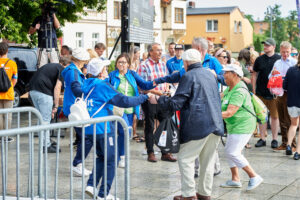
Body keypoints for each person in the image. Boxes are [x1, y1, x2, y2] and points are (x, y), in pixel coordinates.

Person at [151, 49, 224, 200]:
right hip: (216, 123)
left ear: (185, 63)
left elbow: (176, 103)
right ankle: (204, 194)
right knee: (207, 161)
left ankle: (189, 195)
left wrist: (158, 100)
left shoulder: (188, 76)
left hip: (198, 124)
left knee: (185, 158)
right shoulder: (210, 74)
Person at [83, 59, 152, 200]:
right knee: (112, 160)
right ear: (101, 72)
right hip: (103, 128)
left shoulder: (87, 84)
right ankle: (103, 194)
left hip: (90, 128)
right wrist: (145, 97)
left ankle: (91, 185)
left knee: (102, 157)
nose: (107, 71)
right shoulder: (102, 86)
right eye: (105, 68)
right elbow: (125, 101)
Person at [220, 64, 263, 191]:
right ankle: (235, 179)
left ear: (234, 74)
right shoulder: (230, 89)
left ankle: (254, 176)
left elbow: (229, 113)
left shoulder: (239, 91)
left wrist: (209, 115)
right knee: (230, 151)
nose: (223, 76)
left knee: (232, 152)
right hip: (234, 125)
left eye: (226, 73)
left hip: (243, 125)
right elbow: (218, 98)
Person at [109, 53, 156, 168]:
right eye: (119, 62)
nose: (121, 64)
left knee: (126, 134)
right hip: (117, 109)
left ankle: (120, 156)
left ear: (128, 64)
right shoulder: (112, 75)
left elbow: (144, 85)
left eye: (124, 62)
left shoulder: (132, 75)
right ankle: (121, 157)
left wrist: (158, 82)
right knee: (123, 131)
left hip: (130, 109)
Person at [137, 43, 176, 163]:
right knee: (149, 126)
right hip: (150, 99)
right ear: (150, 52)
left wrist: (168, 89)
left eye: (161, 50)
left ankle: (165, 152)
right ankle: (150, 152)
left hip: (163, 99)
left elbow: (167, 80)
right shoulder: (143, 66)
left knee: (165, 125)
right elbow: (142, 86)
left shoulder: (163, 64)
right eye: (157, 50)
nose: (160, 52)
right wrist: (158, 93)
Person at [29, 57, 71, 153]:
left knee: (42, 119)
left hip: (33, 91)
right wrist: (56, 105)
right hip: (43, 93)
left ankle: (44, 142)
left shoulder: (50, 66)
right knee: (46, 121)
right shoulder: (62, 70)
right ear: (66, 65)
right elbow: (57, 88)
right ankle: (46, 145)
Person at [61, 48, 91, 176]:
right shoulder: (73, 72)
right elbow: (76, 88)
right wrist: (88, 92)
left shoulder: (73, 71)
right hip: (75, 108)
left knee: (84, 137)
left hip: (75, 107)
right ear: (81, 60)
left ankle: (78, 164)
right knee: (86, 137)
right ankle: (77, 164)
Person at [253, 38, 281, 148]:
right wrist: (254, 90)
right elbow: (254, 74)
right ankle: (262, 138)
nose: (265, 47)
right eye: (264, 45)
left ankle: (274, 139)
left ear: (274, 47)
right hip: (260, 91)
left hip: (274, 93)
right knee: (262, 116)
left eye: (268, 45)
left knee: (275, 117)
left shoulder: (278, 59)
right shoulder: (259, 59)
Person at [270, 41, 297, 151]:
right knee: (281, 118)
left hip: (290, 93)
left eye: (287, 52)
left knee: (290, 120)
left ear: (290, 51)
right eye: (283, 52)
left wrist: (284, 79)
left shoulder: (294, 62)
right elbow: (270, 76)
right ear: (280, 51)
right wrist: (273, 74)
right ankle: (284, 143)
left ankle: (293, 144)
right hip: (278, 93)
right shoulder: (277, 62)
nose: (285, 54)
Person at [29, 2, 60, 67]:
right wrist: (35, 28)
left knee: (55, 66)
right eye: (44, 8)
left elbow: (57, 26)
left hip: (53, 46)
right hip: (42, 47)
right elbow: (30, 32)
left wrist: (53, 14)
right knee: (41, 67)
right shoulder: (38, 19)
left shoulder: (53, 18)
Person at [0, 42, 18, 142]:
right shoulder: (12, 63)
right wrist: (10, 87)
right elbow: (15, 79)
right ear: (7, 51)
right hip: (8, 93)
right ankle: (6, 137)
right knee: (8, 116)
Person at [283, 55, 300, 160]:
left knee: (293, 124)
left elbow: (284, 86)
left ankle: (289, 145)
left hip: (292, 102)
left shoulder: (291, 70)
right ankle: (297, 152)